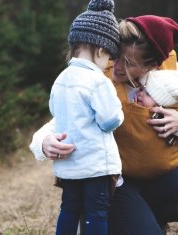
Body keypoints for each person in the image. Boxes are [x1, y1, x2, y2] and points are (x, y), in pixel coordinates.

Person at [30, 14, 178, 235]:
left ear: (151, 65)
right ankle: (136, 219)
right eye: (117, 57)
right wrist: (43, 142)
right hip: (117, 182)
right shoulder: (98, 76)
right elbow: (65, 117)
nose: (118, 67)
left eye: (129, 63)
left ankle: (149, 213)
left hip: (163, 175)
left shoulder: (169, 78)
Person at [48, 0, 123, 234]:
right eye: (108, 57)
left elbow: (54, 111)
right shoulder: (98, 80)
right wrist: (119, 111)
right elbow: (109, 120)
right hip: (95, 164)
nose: (108, 64)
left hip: (69, 164)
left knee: (69, 209)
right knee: (96, 212)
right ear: (101, 50)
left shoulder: (61, 79)